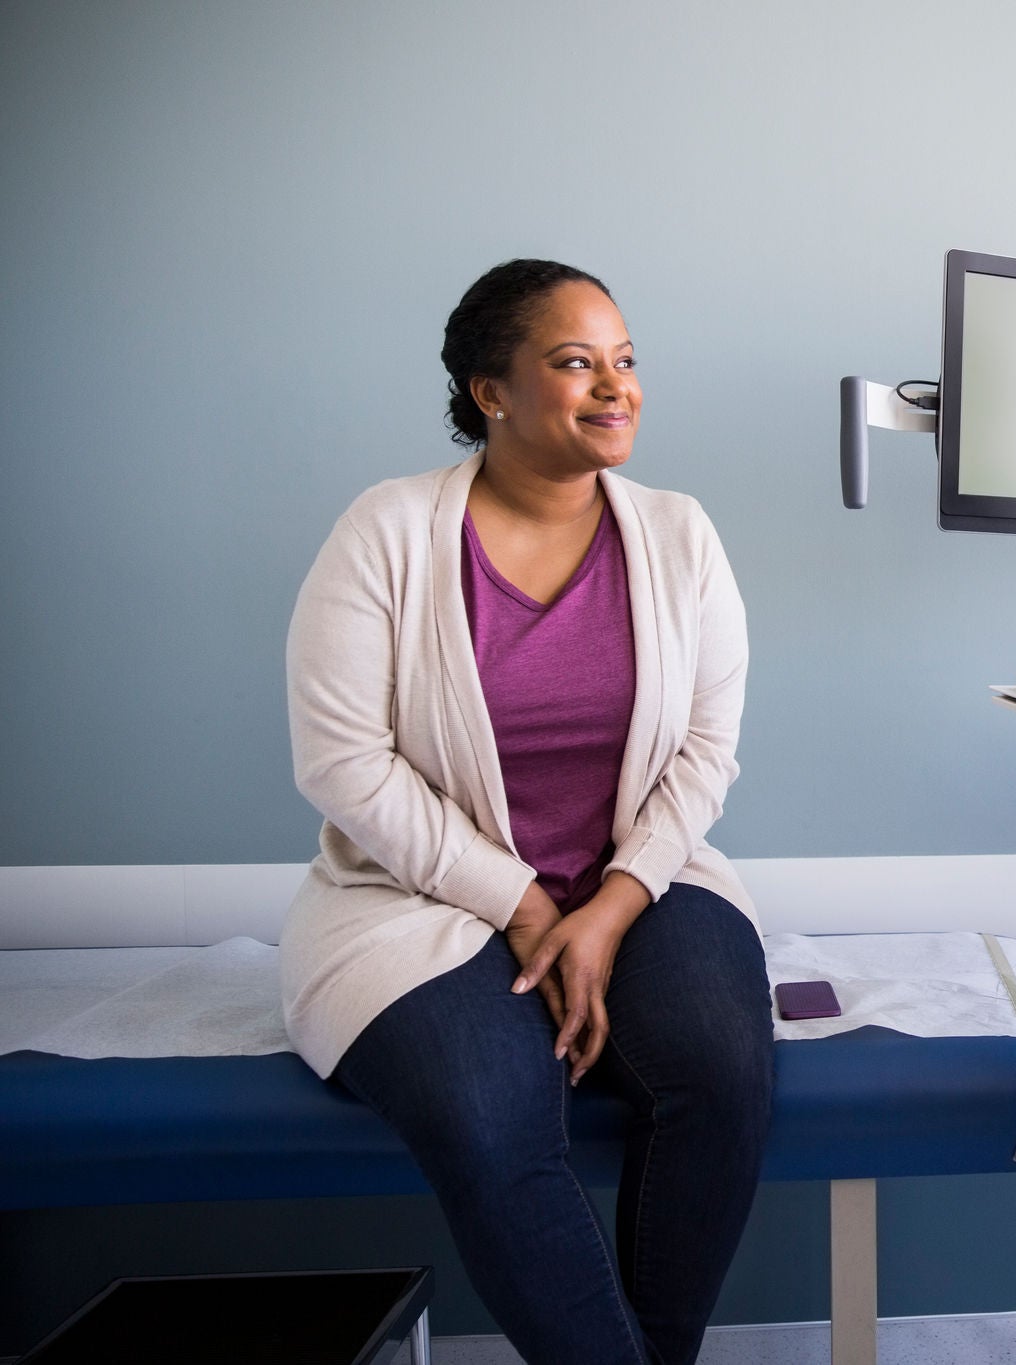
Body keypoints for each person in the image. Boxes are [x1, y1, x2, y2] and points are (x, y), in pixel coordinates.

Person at [280, 259, 770, 1365]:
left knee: (722, 1073)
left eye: (626, 359)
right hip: (416, 899)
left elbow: (705, 753)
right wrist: (518, 904)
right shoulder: (388, 532)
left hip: (641, 877)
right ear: (489, 391)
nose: (616, 386)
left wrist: (600, 912)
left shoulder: (681, 535)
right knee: (485, 1110)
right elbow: (342, 762)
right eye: (574, 362)